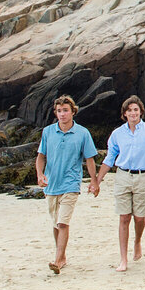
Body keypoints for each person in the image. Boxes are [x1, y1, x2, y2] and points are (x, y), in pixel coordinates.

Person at [98, 95, 145, 272]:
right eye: (129, 110)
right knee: (124, 217)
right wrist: (97, 180)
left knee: (140, 218)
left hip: (143, 176)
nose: (133, 113)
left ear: (141, 112)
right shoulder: (117, 134)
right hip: (123, 176)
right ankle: (123, 259)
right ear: (124, 114)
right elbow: (109, 158)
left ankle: (138, 241)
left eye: (136, 109)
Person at [36, 95, 99, 275]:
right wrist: (40, 175)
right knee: (56, 223)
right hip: (51, 184)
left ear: (73, 112)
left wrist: (94, 181)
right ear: (55, 113)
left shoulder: (82, 133)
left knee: (63, 222)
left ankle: (58, 259)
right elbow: (41, 157)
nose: (62, 114)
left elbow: (89, 159)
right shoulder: (48, 132)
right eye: (59, 111)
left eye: (65, 110)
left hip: (71, 183)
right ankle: (62, 256)